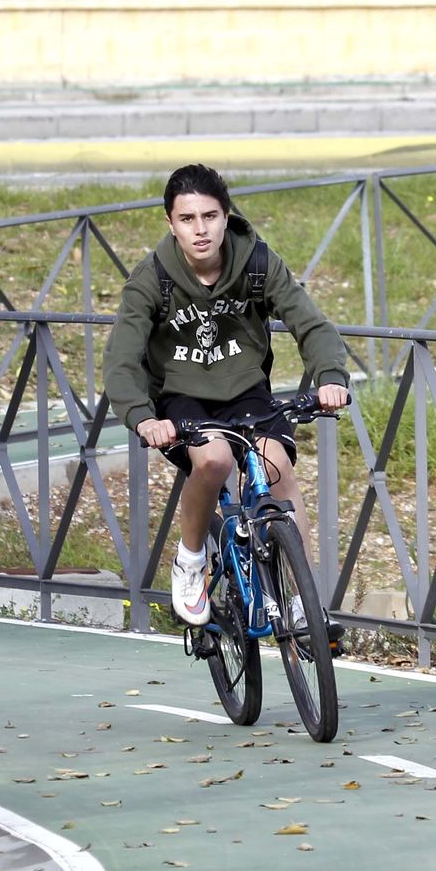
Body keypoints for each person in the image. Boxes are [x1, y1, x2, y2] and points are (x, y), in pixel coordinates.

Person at [103, 164, 351, 629]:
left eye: (210, 216)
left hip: (245, 391)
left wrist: (330, 377)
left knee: (277, 466)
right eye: (187, 219)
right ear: (170, 223)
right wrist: (142, 417)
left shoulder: (256, 262)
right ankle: (191, 560)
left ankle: (301, 602)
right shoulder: (151, 279)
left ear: (226, 215)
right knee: (214, 461)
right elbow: (121, 359)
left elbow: (310, 323)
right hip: (182, 401)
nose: (201, 229)